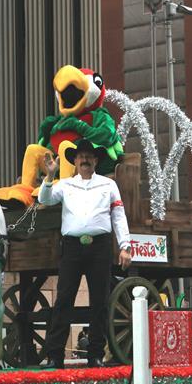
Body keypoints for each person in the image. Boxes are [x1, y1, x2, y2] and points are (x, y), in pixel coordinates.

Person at [37, 139, 133, 369]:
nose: (85, 159)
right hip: (71, 247)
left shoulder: (108, 185)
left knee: (100, 302)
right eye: (81, 156)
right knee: (63, 300)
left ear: (96, 161)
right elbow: (44, 199)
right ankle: (54, 356)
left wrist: (125, 246)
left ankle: (95, 355)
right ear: (75, 161)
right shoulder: (65, 184)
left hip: (100, 247)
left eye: (89, 156)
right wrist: (50, 176)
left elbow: (118, 215)